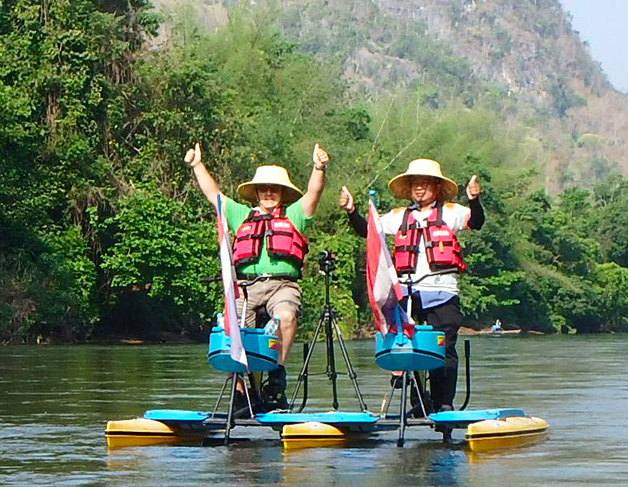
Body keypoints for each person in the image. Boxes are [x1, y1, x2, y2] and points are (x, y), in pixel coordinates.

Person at [185, 141, 331, 408]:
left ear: (282, 193)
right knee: (235, 330)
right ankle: (242, 390)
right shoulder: (242, 215)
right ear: (256, 193)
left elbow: (313, 193)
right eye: (263, 189)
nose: (268, 193)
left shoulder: (294, 214)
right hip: (246, 287)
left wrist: (319, 167)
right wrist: (197, 165)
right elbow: (214, 195)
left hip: (283, 285)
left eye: (274, 189)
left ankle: (276, 376)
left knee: (285, 317)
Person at [337, 159, 483, 412]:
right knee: (408, 346)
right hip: (406, 292)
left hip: (442, 291)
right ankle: (419, 400)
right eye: (415, 184)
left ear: (436, 187)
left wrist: (474, 200)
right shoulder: (399, 216)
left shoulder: (451, 212)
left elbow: (477, 221)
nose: (419, 189)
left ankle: (443, 402)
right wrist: (352, 211)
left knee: (443, 346)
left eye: (425, 184)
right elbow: (368, 231)